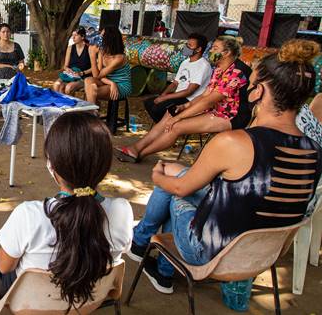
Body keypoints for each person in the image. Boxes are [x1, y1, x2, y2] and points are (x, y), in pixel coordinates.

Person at [126, 39, 322, 294]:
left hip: (211, 250)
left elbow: (182, 188)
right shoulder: (315, 151)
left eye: (250, 85)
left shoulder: (235, 142)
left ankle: (149, 253)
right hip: (264, 255)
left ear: (258, 92)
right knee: (179, 173)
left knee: (173, 186)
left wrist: (158, 175)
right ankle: (147, 251)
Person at [0, 112, 133, 308]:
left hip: (31, 307)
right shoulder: (122, 211)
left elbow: (5, 267)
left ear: (51, 166)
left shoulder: (28, 216)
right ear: (105, 167)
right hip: (91, 301)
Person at [117, 36, 251, 163]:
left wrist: (179, 117)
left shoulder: (237, 72)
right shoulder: (218, 68)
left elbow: (208, 101)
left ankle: (140, 153)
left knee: (176, 126)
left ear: (226, 52)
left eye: (215, 48)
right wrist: (185, 107)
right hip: (215, 110)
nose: (210, 50)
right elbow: (205, 94)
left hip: (232, 116)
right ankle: (136, 148)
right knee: (170, 115)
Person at [144, 33, 212, 123]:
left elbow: (189, 91)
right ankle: (164, 127)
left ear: (199, 49)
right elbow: (175, 83)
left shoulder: (203, 66)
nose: (186, 47)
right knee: (148, 102)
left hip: (189, 100)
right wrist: (163, 95)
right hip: (179, 95)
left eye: (190, 45)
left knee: (158, 108)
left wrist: (165, 98)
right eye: (186, 44)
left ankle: (166, 128)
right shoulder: (185, 62)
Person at [84, 27, 132, 105]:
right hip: (110, 82)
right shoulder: (102, 53)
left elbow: (97, 76)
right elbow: (97, 75)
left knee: (92, 90)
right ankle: (93, 111)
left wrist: (92, 56)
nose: (99, 38)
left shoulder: (119, 58)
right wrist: (111, 83)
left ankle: (91, 113)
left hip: (121, 85)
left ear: (109, 39)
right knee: (88, 80)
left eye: (102, 36)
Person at [52, 27, 92, 95]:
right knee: (56, 85)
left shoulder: (89, 48)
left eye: (75, 35)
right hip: (70, 75)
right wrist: (67, 69)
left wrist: (82, 73)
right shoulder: (70, 48)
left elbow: (94, 68)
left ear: (82, 37)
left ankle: (69, 104)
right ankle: (63, 105)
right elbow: (65, 66)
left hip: (83, 76)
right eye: (72, 35)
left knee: (68, 88)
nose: (73, 37)